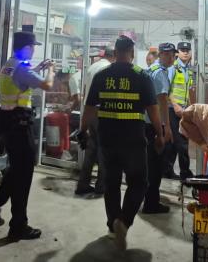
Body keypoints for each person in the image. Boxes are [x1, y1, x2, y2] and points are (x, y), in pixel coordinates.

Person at [79, 35, 166, 251]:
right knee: (139, 183)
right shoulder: (141, 75)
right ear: (132, 53)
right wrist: (160, 134)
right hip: (133, 140)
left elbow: (89, 107)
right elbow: (153, 110)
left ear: (116, 52)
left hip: (107, 139)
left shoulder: (102, 75)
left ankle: (112, 225)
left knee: (111, 183)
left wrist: (82, 130)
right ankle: (124, 222)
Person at [0, 31, 55, 240]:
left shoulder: (10, 64)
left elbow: (21, 81)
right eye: (33, 47)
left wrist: (38, 69)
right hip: (20, 125)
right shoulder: (22, 68)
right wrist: (50, 70)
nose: (33, 50)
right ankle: (18, 226)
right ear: (27, 48)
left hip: (8, 123)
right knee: (23, 174)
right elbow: (47, 85)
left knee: (15, 170)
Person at [75, 45, 115, 196]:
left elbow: (86, 90)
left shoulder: (92, 67)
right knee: (104, 151)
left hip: (90, 111)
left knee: (91, 150)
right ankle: (101, 187)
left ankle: (83, 184)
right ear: (114, 56)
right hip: (102, 112)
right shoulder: (108, 68)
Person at [143, 42, 175, 214]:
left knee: (149, 165)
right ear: (160, 54)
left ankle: (149, 198)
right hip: (154, 124)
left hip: (146, 123)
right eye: (167, 54)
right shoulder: (160, 73)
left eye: (172, 55)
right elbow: (162, 101)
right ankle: (151, 203)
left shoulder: (151, 70)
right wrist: (166, 127)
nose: (171, 58)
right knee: (155, 166)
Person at [163, 41, 196, 180]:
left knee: (173, 143)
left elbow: (187, 92)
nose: (185, 53)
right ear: (177, 53)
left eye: (187, 50)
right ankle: (185, 173)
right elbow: (167, 89)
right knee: (182, 143)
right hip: (172, 110)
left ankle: (167, 170)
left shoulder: (188, 70)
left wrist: (190, 107)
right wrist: (175, 105)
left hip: (183, 110)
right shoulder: (173, 68)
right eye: (182, 50)